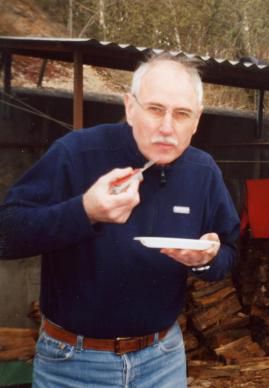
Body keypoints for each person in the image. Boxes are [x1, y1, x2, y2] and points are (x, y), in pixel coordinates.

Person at [0, 53, 239, 387]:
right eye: (155, 109)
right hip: (73, 363)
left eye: (182, 114)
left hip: (163, 360)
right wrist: (84, 211)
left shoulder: (203, 172)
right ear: (130, 107)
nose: (167, 128)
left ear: (197, 120)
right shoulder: (77, 153)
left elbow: (227, 252)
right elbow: (6, 234)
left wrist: (206, 260)